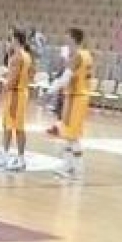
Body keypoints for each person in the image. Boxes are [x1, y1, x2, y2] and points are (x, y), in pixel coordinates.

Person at [49, 28, 92, 179]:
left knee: (73, 136)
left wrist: (50, 91)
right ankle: (68, 166)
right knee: (69, 134)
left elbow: (65, 79)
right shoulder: (86, 54)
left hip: (76, 97)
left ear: (73, 39)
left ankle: (77, 170)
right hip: (79, 97)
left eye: (67, 38)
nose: (65, 40)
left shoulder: (77, 56)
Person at [0, 29, 33, 171]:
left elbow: (12, 81)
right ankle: (6, 156)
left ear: (16, 40)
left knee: (17, 128)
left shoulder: (18, 57)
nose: (9, 41)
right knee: (8, 126)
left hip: (16, 95)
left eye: (10, 39)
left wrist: (0, 97)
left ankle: (20, 159)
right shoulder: (26, 55)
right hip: (20, 93)